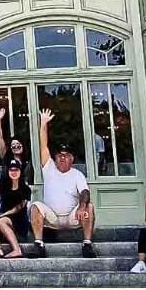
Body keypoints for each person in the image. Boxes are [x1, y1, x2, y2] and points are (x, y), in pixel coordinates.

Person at [28, 109, 95, 258]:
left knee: (89, 206)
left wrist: (82, 206)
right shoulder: (49, 167)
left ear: (72, 159)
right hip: (52, 217)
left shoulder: (77, 174)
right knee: (35, 206)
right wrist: (43, 124)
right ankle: (39, 244)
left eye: (66, 156)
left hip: (72, 217)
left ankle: (87, 244)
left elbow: (85, 192)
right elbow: (43, 146)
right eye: (60, 155)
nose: (62, 158)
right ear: (55, 157)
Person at [0, 158, 30, 259]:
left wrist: (1, 216)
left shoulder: (25, 188)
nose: (13, 172)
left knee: (1, 221)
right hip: (3, 220)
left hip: (19, 223)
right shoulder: (4, 184)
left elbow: (18, 208)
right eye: (11, 170)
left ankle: (17, 250)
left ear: (20, 171)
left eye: (16, 170)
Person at [0, 106, 34, 184]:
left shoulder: (28, 162)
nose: (16, 147)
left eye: (18, 144)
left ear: (23, 146)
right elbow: (0, 139)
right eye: (13, 145)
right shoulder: (7, 158)